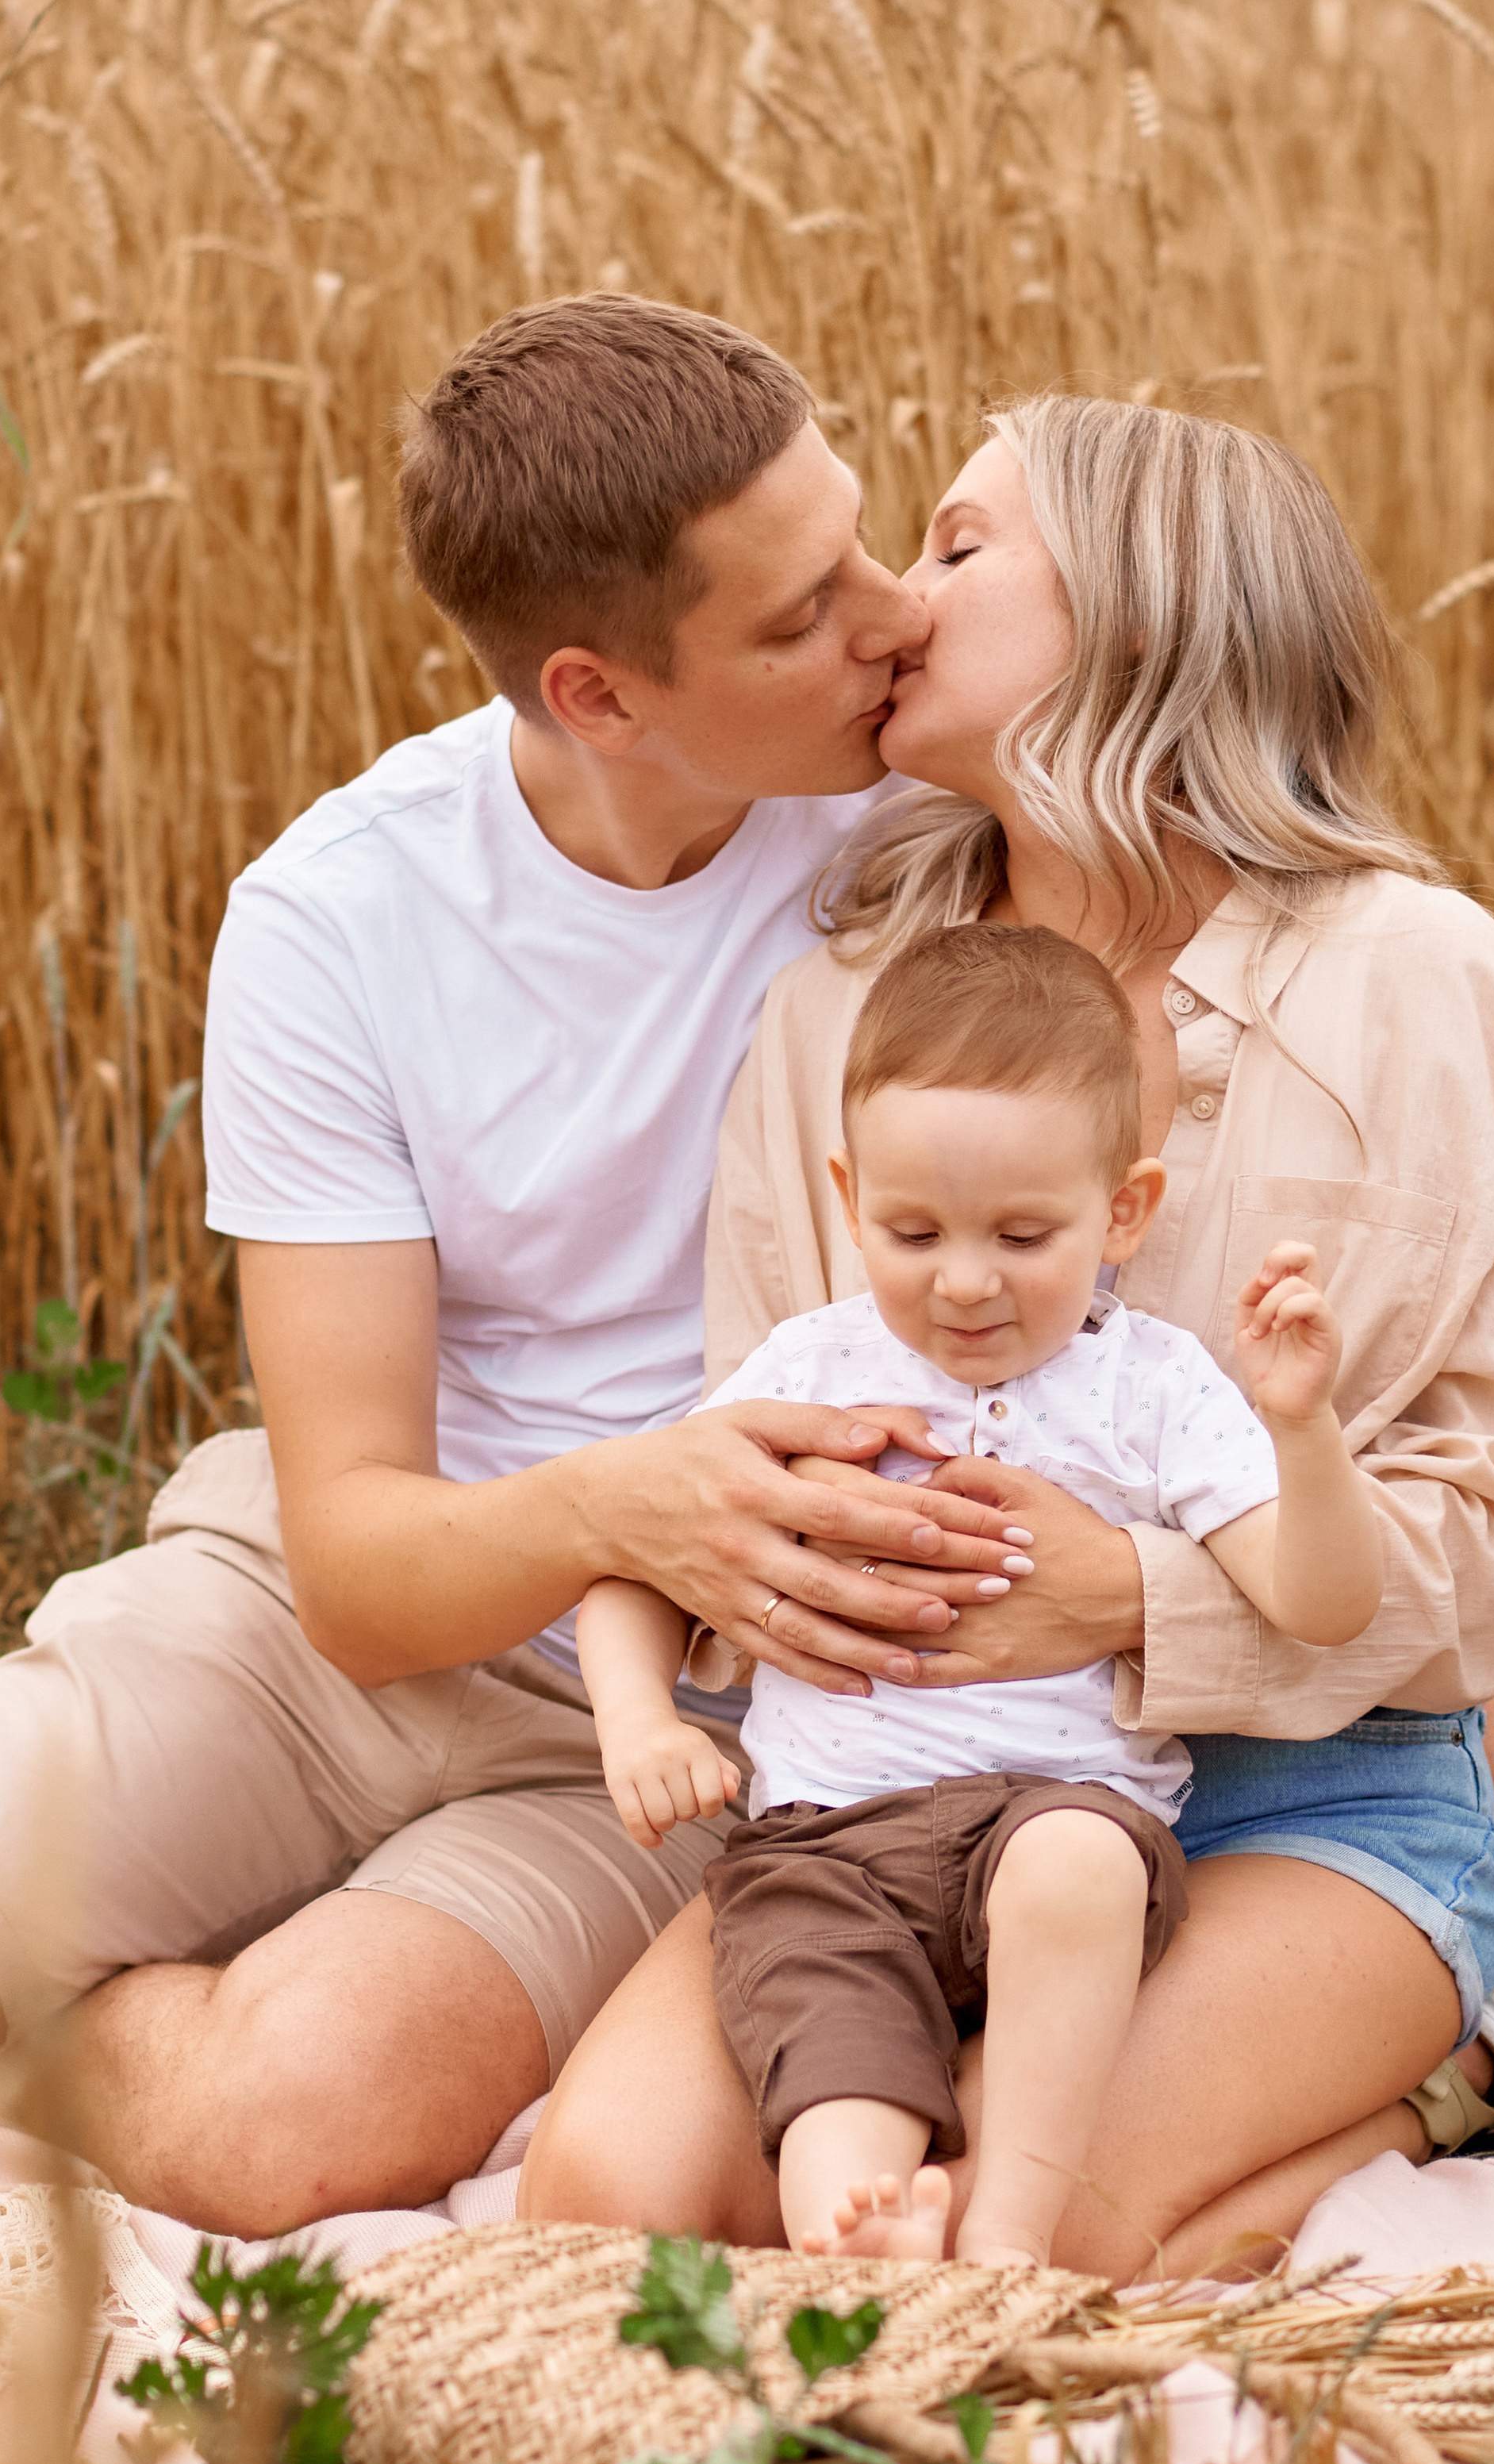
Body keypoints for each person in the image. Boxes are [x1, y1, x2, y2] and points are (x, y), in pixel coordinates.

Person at [0, 297, 1031, 2235]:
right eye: (799, 616)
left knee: (282, 2131)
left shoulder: (944, 844)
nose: (891, 620)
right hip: (316, 1636)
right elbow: (362, 1572)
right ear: (596, 695)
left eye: (867, 545)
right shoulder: (341, 915)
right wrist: (635, 1497)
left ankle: (49, 2009)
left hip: (665, 1734)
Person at [522, 391, 1494, 2277]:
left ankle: (1431, 2057)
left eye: (953, 545)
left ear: (1139, 603)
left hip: (1305, 1785)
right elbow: (752, 1454)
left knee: (1040, 2221)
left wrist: (1126, 1602)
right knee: (614, 2211)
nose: (893, 603)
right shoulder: (840, 1003)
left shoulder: (1409, 982)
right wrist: (780, 1590)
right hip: (885, 1788)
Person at [582, 921, 1404, 2269]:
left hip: (1056, 1816)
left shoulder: (1153, 1384)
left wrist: (1302, 1434)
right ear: (851, 1198)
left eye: (1024, 1234)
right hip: (824, 1843)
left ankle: (1008, 2238)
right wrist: (639, 1722)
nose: (965, 1279)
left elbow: (1319, 1600)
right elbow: (635, 1555)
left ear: (1123, 1211)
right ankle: (863, 2248)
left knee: (1069, 1869)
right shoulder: (810, 1367)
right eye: (914, 1231)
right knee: (831, 2058)